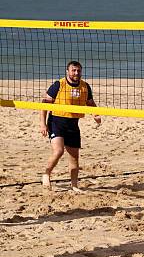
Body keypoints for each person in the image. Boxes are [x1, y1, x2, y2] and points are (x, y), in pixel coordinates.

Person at [39, 61, 101, 192]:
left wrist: (96, 114)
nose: (76, 73)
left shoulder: (85, 86)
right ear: (67, 71)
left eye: (78, 71)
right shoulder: (58, 84)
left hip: (73, 124)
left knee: (74, 157)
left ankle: (74, 186)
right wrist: (43, 124)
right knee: (59, 151)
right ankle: (46, 174)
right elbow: (44, 104)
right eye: (74, 70)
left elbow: (90, 103)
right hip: (56, 122)